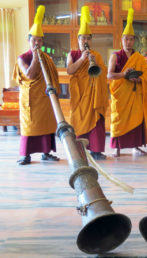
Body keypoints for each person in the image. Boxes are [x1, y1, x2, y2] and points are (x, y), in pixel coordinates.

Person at [13, 5, 60, 165]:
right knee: (29, 126)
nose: (37, 43)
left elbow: (53, 77)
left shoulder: (47, 58)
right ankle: (25, 155)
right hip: (31, 100)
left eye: (40, 40)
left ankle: (46, 153)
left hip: (45, 99)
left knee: (46, 125)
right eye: (34, 40)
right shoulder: (22, 58)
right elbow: (30, 74)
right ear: (28, 41)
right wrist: (35, 57)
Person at [107, 8, 147, 157]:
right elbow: (109, 75)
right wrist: (123, 74)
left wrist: (139, 79)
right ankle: (117, 148)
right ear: (121, 40)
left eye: (131, 39)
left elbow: (146, 76)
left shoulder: (139, 57)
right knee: (118, 120)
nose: (129, 42)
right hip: (120, 95)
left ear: (134, 41)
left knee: (136, 119)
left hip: (135, 94)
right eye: (126, 38)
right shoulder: (115, 56)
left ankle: (136, 147)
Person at [67, 6, 108, 160]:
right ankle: (79, 150)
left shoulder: (96, 54)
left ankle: (96, 150)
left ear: (91, 40)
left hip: (94, 94)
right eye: (82, 38)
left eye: (88, 38)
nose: (85, 41)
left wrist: (93, 60)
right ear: (77, 40)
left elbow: (102, 73)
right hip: (80, 95)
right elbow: (70, 70)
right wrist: (82, 59)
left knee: (96, 120)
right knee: (78, 120)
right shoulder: (72, 54)